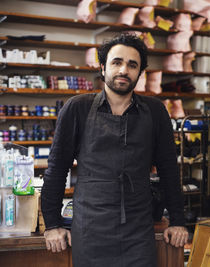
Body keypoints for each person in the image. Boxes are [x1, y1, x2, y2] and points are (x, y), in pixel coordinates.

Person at [41, 33, 188, 267]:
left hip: (138, 229)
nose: (124, 70)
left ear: (140, 73)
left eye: (132, 65)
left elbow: (169, 169)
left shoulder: (155, 111)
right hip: (91, 228)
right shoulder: (77, 108)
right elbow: (57, 170)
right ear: (103, 67)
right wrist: (52, 224)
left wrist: (178, 220)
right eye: (116, 62)